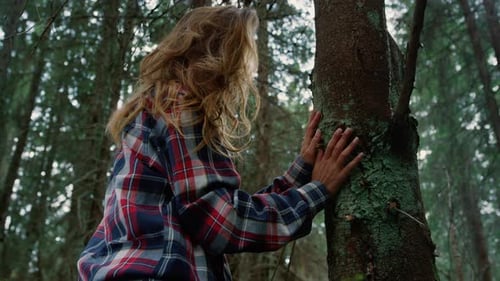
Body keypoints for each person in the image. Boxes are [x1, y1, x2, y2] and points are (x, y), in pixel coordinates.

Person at [77, 5, 363, 281]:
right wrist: (317, 192)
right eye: (244, 50)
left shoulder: (157, 107)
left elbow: (211, 209)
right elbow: (221, 222)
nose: (247, 69)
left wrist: (302, 170)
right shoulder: (179, 104)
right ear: (219, 53)